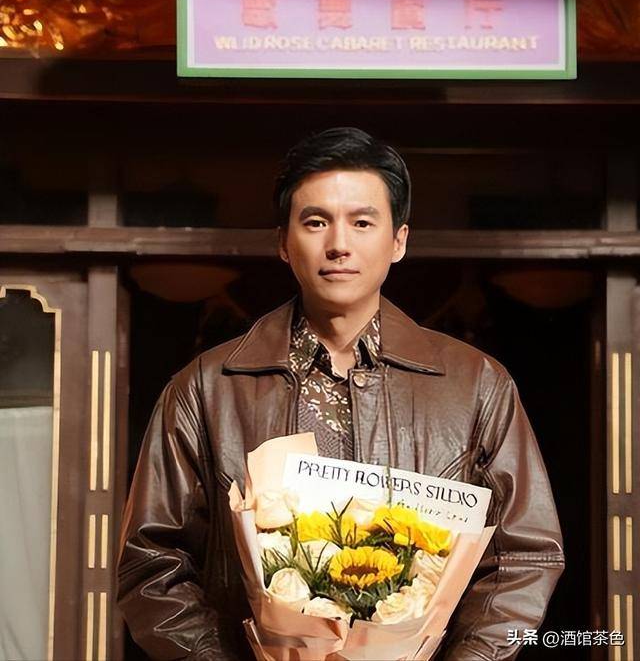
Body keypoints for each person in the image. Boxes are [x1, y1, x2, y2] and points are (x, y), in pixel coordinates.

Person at [117, 127, 565, 660]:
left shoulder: (476, 385)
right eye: (315, 222)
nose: (339, 244)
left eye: (362, 222)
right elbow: (151, 563)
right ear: (283, 242)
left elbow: (526, 557)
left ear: (398, 241)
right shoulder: (205, 387)